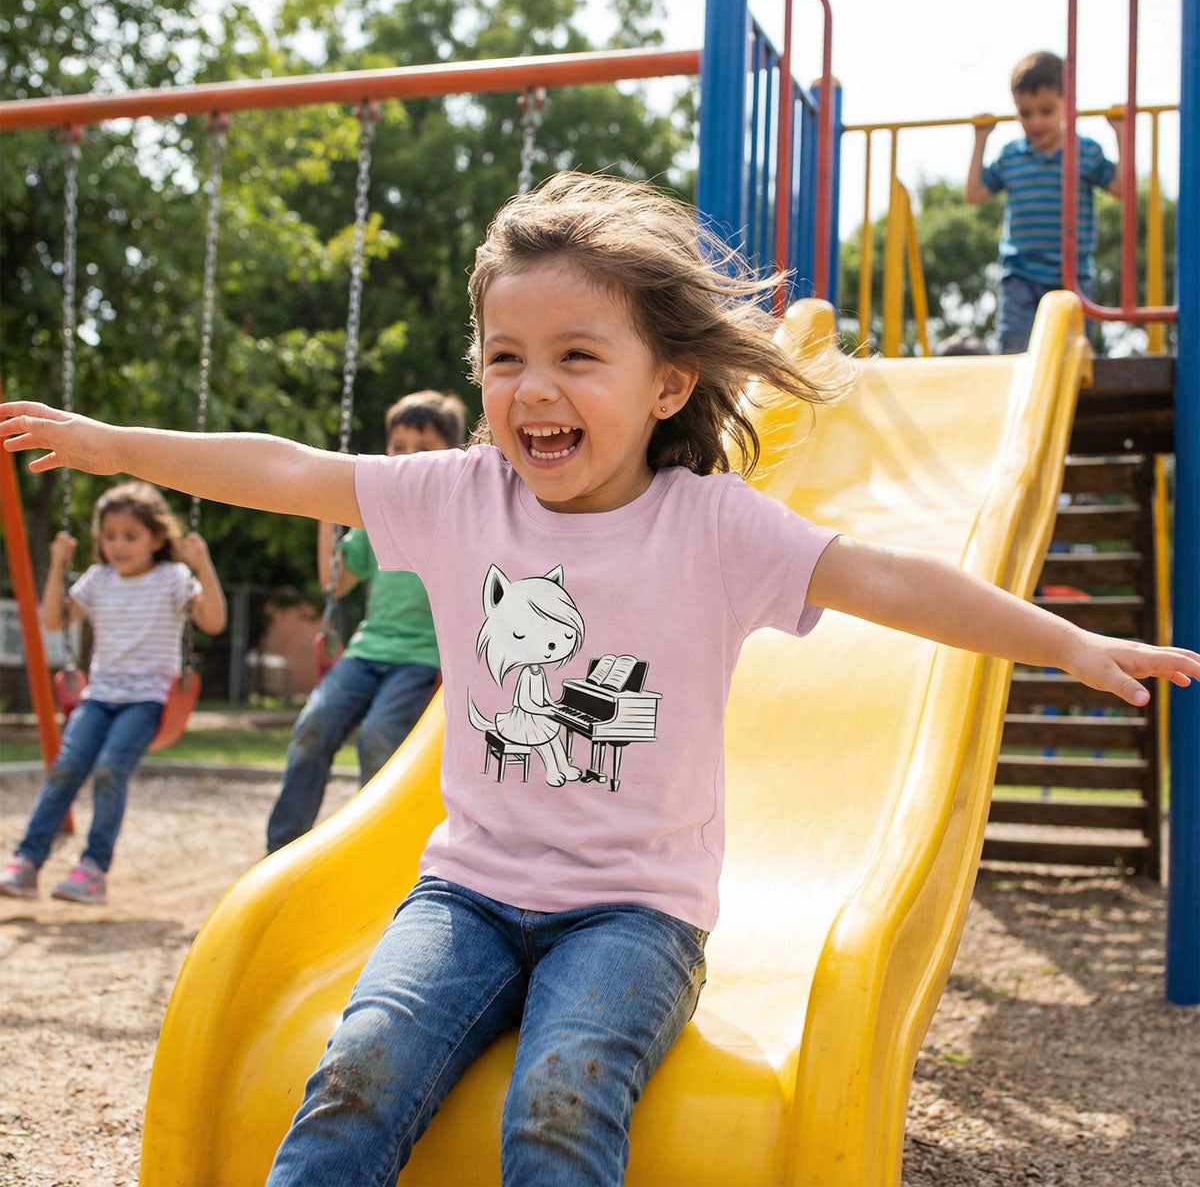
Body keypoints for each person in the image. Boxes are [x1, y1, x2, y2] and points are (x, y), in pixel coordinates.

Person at [1, 172, 1196, 1184]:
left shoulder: (715, 527)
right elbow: (291, 468)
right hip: (467, 892)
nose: (535, 388)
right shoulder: (460, 495)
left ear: (666, 384)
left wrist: (1065, 641)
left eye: (579, 356)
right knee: (358, 1073)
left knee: (560, 1105)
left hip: (637, 912)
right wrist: (116, 446)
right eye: (506, 356)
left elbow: (893, 583)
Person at [0, 481, 226, 905]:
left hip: (148, 700)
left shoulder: (173, 578)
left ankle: (93, 869)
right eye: (109, 536)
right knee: (65, 767)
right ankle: (27, 863)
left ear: (157, 538)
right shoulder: (98, 579)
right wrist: (57, 564)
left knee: (109, 768)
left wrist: (203, 565)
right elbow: (54, 621)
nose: (117, 545)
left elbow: (213, 621)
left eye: (130, 536)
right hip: (99, 695)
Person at [265, 390, 466, 855]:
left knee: (379, 738)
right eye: (397, 446)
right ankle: (280, 850)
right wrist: (325, 508)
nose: (405, 457)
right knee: (313, 726)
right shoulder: (375, 518)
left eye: (422, 447)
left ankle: (372, 853)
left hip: (422, 659)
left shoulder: (456, 514)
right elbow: (333, 584)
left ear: (451, 457)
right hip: (366, 651)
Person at [966, 50, 1123, 353]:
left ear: (1068, 106)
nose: (1035, 122)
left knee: (1073, 354)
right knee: (1014, 348)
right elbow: (974, 195)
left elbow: (1120, 189)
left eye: (1046, 110)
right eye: (1025, 113)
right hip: (1020, 273)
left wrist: (1122, 134)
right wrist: (980, 140)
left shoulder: (1085, 152)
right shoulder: (1012, 156)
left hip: (1071, 276)